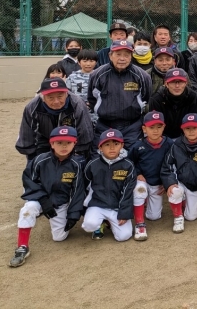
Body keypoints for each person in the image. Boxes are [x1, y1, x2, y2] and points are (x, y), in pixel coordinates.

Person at [8, 126, 86, 267]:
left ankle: (57, 218)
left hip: (61, 203)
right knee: (28, 209)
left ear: (75, 143)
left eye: (68, 143)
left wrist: (73, 215)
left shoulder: (77, 165)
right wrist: (43, 200)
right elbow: (29, 181)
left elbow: (78, 191)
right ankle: (22, 247)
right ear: (51, 144)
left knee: (59, 237)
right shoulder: (40, 160)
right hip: (41, 199)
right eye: (59, 142)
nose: (64, 146)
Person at [88, 40, 152, 149]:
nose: (122, 58)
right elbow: (92, 98)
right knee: (99, 155)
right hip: (104, 125)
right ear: (110, 55)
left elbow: (145, 98)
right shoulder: (97, 74)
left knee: (133, 155)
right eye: (118, 54)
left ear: (131, 56)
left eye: (126, 55)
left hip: (132, 127)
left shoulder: (142, 75)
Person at [161, 114, 197, 233]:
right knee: (175, 191)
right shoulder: (176, 145)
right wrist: (170, 183)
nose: (191, 131)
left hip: (195, 185)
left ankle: (185, 201)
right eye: (187, 128)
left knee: (191, 217)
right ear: (182, 129)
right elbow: (167, 166)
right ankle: (178, 217)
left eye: (194, 128)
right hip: (179, 181)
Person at [17, 78, 94, 161]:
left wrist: (78, 155)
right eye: (51, 97)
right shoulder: (32, 107)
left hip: (70, 140)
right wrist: (33, 159)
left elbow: (84, 135)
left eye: (60, 96)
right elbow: (27, 136)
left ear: (66, 94)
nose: (56, 101)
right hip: (44, 139)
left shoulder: (77, 104)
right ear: (43, 97)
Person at [81, 129, 137, 241]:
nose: (112, 148)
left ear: (122, 145)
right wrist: (84, 209)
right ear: (100, 147)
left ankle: (109, 222)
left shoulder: (128, 165)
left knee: (124, 236)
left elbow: (128, 191)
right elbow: (83, 187)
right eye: (107, 144)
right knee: (89, 225)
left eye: (116, 144)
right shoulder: (92, 164)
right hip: (97, 205)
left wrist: (124, 213)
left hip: (116, 207)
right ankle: (99, 223)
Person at [128, 112, 173, 241]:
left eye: (159, 127)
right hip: (143, 180)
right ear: (144, 128)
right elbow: (129, 163)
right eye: (151, 127)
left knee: (154, 216)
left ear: (164, 127)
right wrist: (137, 173)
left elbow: (173, 164)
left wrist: (167, 182)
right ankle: (139, 223)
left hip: (158, 183)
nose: (155, 130)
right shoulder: (138, 146)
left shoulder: (169, 143)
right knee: (140, 190)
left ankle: (146, 202)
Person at [147, 68, 197, 140]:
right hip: (163, 138)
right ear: (166, 84)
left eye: (180, 82)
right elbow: (154, 124)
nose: (177, 86)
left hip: (186, 137)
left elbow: (196, 122)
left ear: (186, 83)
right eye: (173, 82)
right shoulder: (157, 99)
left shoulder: (193, 97)